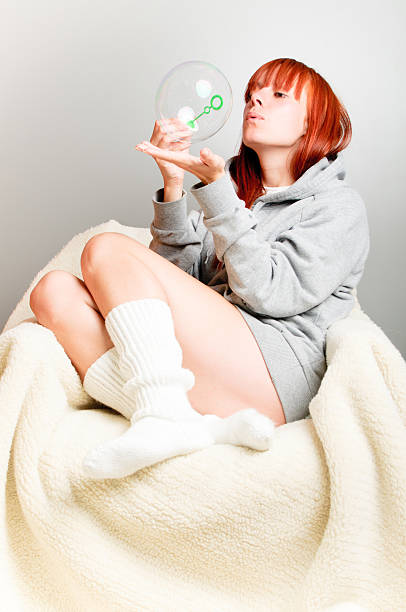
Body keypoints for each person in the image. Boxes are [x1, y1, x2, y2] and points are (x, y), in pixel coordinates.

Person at [29, 57, 370, 479]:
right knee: (53, 291)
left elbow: (272, 293)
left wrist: (217, 193)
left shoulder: (337, 206)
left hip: (275, 380)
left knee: (105, 249)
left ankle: (164, 416)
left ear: (313, 122)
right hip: (216, 367)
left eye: (277, 94)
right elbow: (167, 286)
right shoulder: (236, 192)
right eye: (252, 94)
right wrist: (173, 186)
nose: (255, 100)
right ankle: (193, 424)